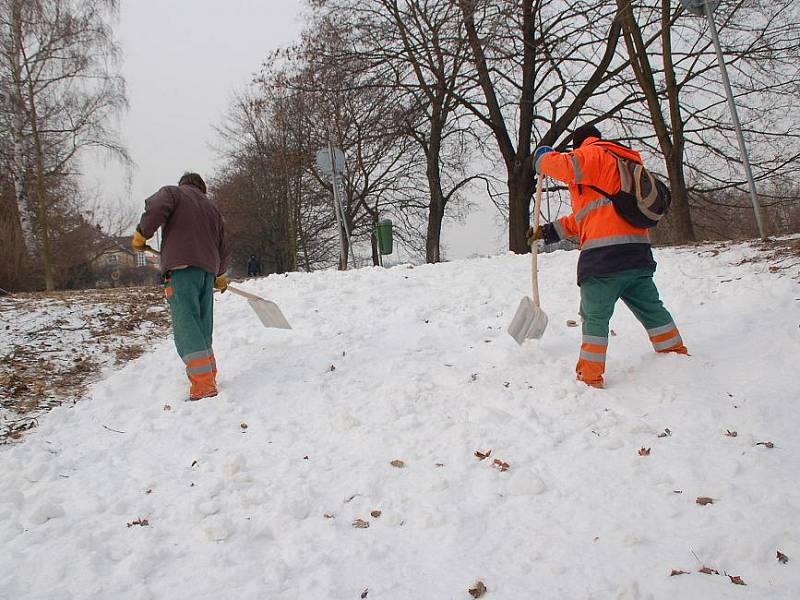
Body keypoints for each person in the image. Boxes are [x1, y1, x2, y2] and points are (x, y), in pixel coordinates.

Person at [530, 124, 687, 388]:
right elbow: (585, 218)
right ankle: (675, 354)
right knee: (651, 308)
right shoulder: (621, 165)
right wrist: (546, 232)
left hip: (604, 259)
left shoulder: (594, 154)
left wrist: (542, 158)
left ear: (578, 144)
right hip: (637, 255)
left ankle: (589, 377)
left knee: (595, 317)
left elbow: (563, 166)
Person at [132, 172, 230, 400]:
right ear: (202, 189)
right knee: (202, 326)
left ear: (185, 184)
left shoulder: (173, 193)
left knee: (187, 326)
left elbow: (156, 207)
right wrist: (221, 274)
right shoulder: (213, 209)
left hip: (181, 269)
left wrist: (141, 233)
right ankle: (209, 376)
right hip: (207, 272)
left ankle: (203, 385)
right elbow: (223, 245)